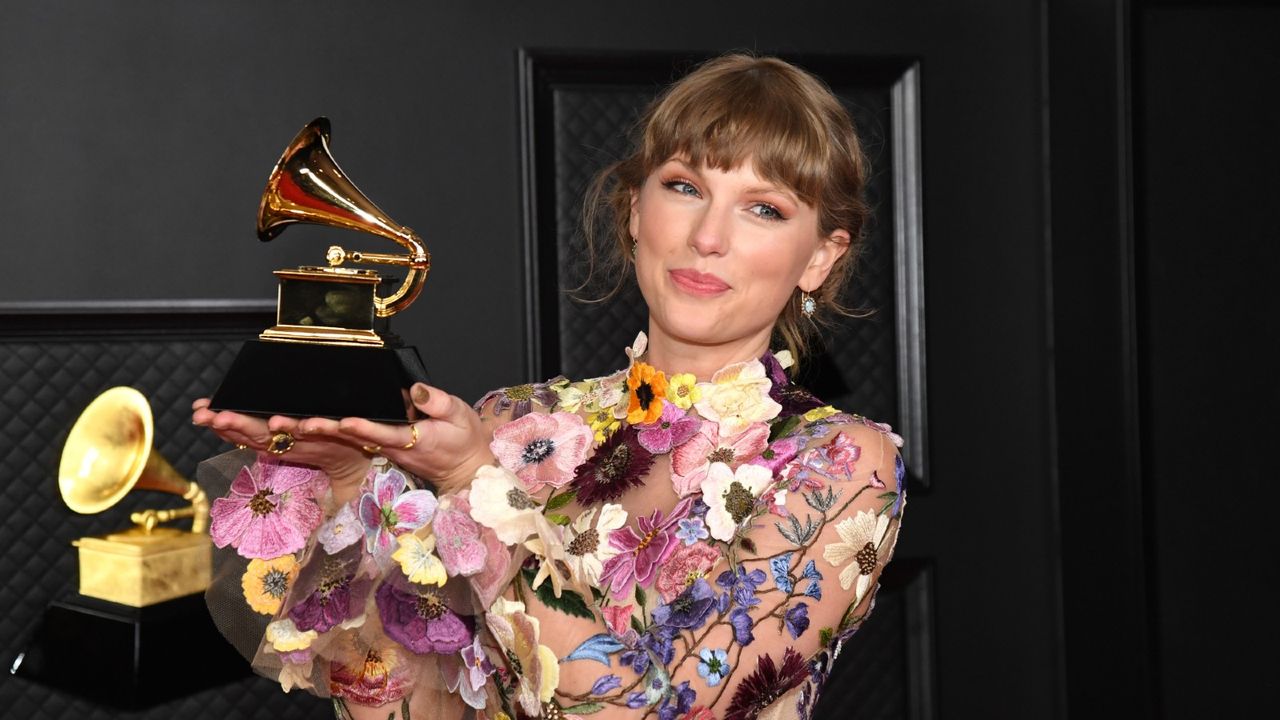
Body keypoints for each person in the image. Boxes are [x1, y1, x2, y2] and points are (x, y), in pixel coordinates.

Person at [193, 54, 906, 720]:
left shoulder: (842, 462)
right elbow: (406, 708)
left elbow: (653, 709)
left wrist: (475, 488)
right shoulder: (512, 424)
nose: (708, 236)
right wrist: (349, 486)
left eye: (763, 208)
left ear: (819, 256)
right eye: (685, 187)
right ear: (635, 210)